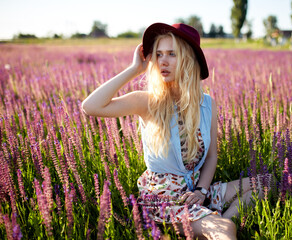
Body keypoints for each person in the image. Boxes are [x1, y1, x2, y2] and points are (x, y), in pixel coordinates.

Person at [82, 22, 270, 240]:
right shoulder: (148, 102)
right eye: (159, 54)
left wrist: (201, 191)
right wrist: (135, 69)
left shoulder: (207, 104)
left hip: (197, 191)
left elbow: (211, 156)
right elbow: (90, 107)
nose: (163, 60)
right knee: (225, 231)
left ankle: (216, 220)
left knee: (268, 183)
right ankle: (217, 225)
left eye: (172, 54)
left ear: (188, 60)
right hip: (166, 199)